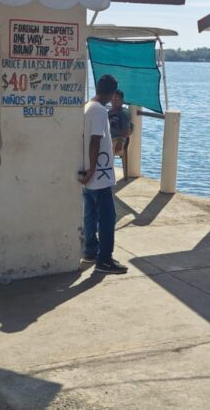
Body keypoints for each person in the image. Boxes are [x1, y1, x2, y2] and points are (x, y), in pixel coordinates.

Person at [78, 74, 128, 274]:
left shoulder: (87, 106)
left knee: (90, 214)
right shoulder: (99, 110)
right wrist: (92, 170)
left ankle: (90, 251)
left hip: (91, 174)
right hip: (99, 174)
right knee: (107, 217)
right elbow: (95, 140)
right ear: (112, 93)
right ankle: (104, 259)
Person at [108, 89, 134, 171]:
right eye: (113, 98)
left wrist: (120, 140)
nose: (114, 101)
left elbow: (126, 131)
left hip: (117, 140)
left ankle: (107, 170)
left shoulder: (123, 114)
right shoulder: (109, 112)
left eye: (117, 99)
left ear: (122, 101)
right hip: (108, 138)